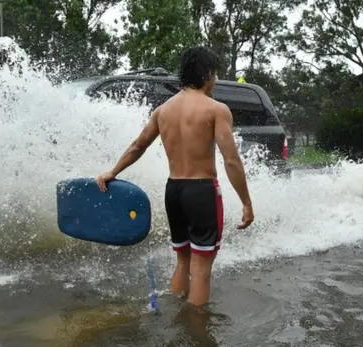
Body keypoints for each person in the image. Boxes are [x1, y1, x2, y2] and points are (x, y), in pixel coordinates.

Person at [95, 46, 254, 307]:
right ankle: (194, 331)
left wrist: (113, 172)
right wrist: (246, 202)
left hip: (174, 191)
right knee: (202, 268)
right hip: (202, 192)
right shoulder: (216, 109)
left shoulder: (163, 111)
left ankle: (175, 313)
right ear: (206, 74)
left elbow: (138, 145)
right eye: (214, 75)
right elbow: (231, 160)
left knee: (183, 259)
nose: (215, 81)